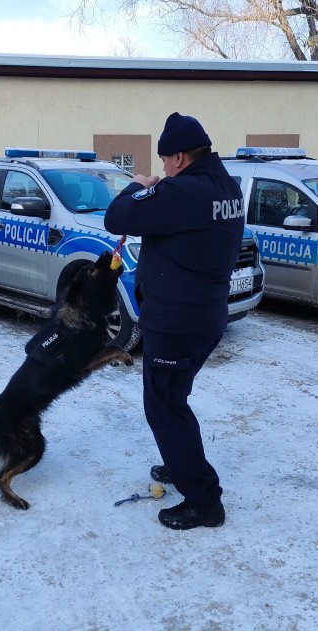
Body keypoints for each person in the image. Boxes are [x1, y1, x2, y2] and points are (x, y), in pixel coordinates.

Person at [104, 112, 244, 530]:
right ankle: (178, 463)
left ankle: (204, 501)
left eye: (165, 160)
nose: (162, 168)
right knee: (173, 397)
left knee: (164, 406)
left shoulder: (184, 192)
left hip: (177, 321)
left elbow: (117, 216)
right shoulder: (226, 186)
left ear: (180, 157)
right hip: (203, 314)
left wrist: (138, 186)